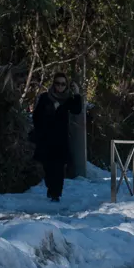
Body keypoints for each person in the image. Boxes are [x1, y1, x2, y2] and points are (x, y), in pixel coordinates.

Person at [32, 74, 83, 202]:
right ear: (53, 84)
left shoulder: (67, 99)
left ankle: (56, 194)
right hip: (46, 138)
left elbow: (77, 109)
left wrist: (77, 93)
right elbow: (36, 116)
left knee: (59, 168)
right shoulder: (45, 97)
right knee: (48, 167)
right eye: (57, 83)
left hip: (61, 139)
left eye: (63, 84)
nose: (60, 86)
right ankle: (51, 188)